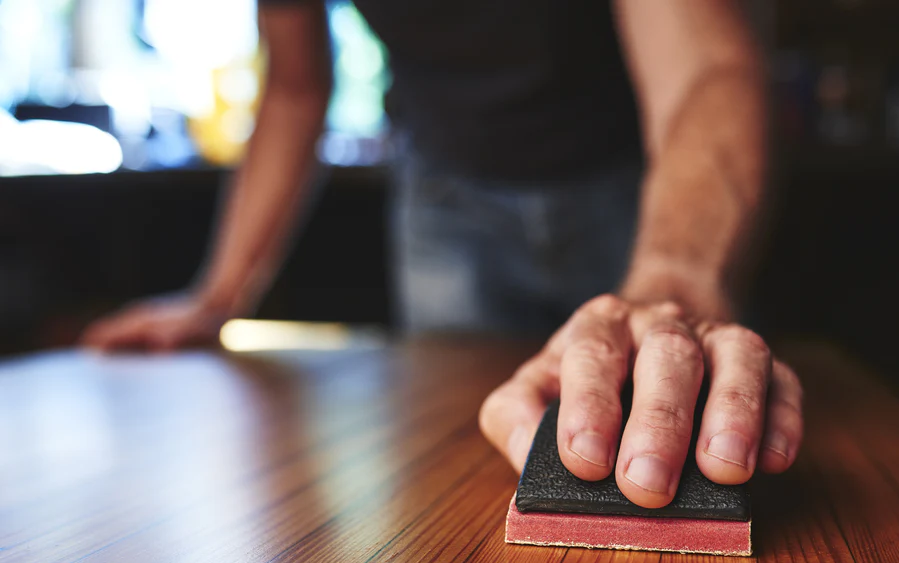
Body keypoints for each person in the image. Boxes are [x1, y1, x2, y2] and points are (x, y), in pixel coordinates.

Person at [82, 0, 804, 509]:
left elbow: (705, 64)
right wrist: (217, 296)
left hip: (642, 182)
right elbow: (297, 84)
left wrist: (674, 280)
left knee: (680, 412)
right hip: (446, 195)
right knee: (461, 474)